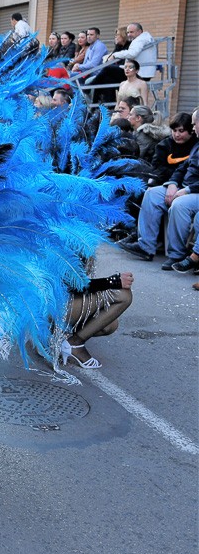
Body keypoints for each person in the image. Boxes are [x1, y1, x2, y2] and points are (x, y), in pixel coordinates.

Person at [120, 110, 199, 269]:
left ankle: (176, 254)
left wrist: (187, 190)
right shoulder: (195, 146)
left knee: (179, 205)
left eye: (194, 124)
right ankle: (146, 246)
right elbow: (182, 168)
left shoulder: (194, 143)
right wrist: (172, 183)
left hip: (194, 191)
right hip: (182, 187)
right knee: (152, 194)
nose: (194, 127)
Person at [59, 272, 134, 368]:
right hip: (49, 308)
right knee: (123, 295)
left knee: (109, 325)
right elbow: (71, 285)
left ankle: (59, 337)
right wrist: (112, 281)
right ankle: (74, 344)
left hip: (58, 303)